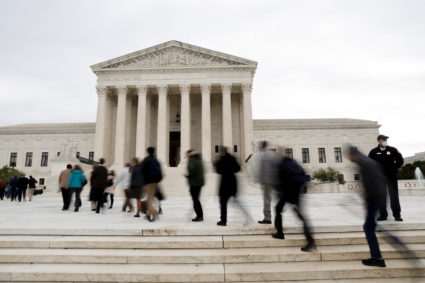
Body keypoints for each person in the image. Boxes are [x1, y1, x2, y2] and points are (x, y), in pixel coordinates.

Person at [348, 146, 387, 267]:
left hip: (374, 198)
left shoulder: (363, 163)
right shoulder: (369, 161)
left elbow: (370, 184)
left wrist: (368, 202)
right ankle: (377, 257)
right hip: (379, 197)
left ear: (353, 154)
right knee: (369, 227)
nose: (349, 159)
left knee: (368, 228)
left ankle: (377, 258)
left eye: (349, 156)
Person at [272, 147, 315, 252]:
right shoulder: (293, 162)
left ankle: (280, 233)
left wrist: (279, 191)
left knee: (278, 209)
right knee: (300, 216)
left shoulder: (282, 164)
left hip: (288, 192)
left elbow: (279, 180)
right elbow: (304, 175)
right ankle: (310, 240)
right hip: (297, 192)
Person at [368, 134, 404, 221]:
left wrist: (394, 168)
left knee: (394, 196)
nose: (385, 141)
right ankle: (383, 215)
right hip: (379, 178)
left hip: (391, 177)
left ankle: (397, 215)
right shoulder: (373, 151)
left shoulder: (393, 150)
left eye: (385, 139)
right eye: (383, 139)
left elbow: (400, 160)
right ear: (378, 141)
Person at [215, 146, 252, 226]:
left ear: (222, 152)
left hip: (225, 184)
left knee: (223, 203)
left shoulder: (221, 159)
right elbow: (238, 168)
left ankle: (223, 221)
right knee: (236, 202)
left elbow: (217, 170)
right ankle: (247, 216)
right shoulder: (232, 158)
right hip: (232, 183)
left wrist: (218, 163)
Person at [252, 141, 280, 224]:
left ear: (261, 146)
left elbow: (257, 168)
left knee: (267, 199)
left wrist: (256, 179)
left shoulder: (260, 155)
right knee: (275, 197)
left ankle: (267, 218)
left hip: (266, 181)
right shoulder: (272, 154)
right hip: (274, 180)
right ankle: (280, 208)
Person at [140, 147, 163, 222]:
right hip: (154, 182)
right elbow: (160, 172)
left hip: (148, 182)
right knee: (151, 199)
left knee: (148, 199)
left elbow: (141, 170)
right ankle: (148, 215)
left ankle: (154, 213)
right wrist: (157, 180)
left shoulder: (146, 160)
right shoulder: (156, 160)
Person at [186, 150, 205, 222]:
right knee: (196, 200)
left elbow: (192, 169)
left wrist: (188, 176)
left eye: (187, 154)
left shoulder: (192, 160)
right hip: (199, 183)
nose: (186, 155)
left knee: (195, 200)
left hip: (194, 183)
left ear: (190, 154)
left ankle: (199, 216)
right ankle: (200, 215)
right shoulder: (199, 159)